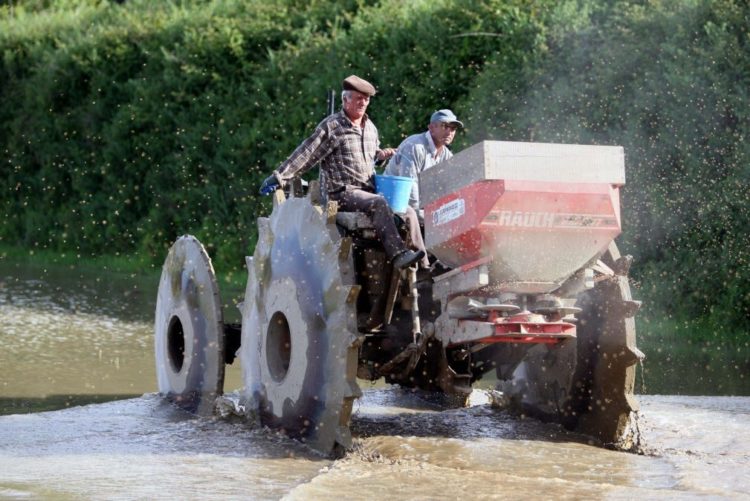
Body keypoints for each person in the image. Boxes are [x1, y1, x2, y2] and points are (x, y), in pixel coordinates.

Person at [258, 75, 427, 269]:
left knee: (409, 212)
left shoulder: (370, 128)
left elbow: (370, 156)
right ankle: (398, 255)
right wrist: (280, 176)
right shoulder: (332, 126)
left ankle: (424, 267)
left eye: (366, 99)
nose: (363, 102)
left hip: (367, 190)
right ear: (345, 100)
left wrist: (380, 155)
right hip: (342, 193)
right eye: (358, 98)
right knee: (378, 202)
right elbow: (307, 153)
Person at [384, 109, 463, 217]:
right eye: (444, 126)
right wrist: (430, 217)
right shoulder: (414, 147)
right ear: (431, 128)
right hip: (393, 202)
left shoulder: (447, 155)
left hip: (419, 207)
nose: (449, 132)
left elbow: (450, 188)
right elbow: (409, 192)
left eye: (453, 128)